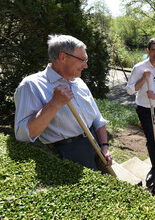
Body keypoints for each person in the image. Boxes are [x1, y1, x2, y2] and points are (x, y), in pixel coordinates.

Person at [14, 34, 112, 171]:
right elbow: (22, 134)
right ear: (63, 57)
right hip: (68, 152)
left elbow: (97, 119)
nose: (86, 65)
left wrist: (105, 147)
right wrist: (54, 104)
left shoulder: (79, 82)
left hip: (95, 144)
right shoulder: (31, 85)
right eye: (82, 60)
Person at [126, 38, 155, 185]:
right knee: (151, 138)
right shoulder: (138, 68)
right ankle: (154, 168)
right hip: (144, 109)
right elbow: (129, 90)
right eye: (153, 50)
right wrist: (143, 79)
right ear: (148, 50)